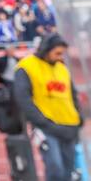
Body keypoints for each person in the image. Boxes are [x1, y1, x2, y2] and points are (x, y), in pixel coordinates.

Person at [13, 33, 83, 181]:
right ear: (46, 49)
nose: (60, 57)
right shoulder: (26, 67)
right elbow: (23, 99)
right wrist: (41, 121)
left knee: (68, 172)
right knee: (55, 168)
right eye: (57, 53)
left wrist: (78, 118)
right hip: (46, 127)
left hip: (68, 125)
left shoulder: (62, 68)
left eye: (62, 53)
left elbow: (73, 96)